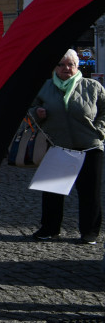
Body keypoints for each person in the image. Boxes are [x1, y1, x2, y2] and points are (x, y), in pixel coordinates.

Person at [29, 49, 105, 244]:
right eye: (61, 65)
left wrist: (100, 131)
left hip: (89, 147)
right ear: (55, 68)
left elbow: (104, 111)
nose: (66, 68)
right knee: (52, 191)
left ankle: (89, 232)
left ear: (77, 66)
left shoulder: (92, 86)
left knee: (90, 193)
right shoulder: (44, 88)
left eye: (70, 64)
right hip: (58, 145)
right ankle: (49, 229)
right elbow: (30, 110)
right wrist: (37, 113)